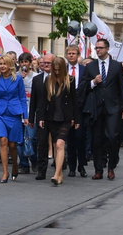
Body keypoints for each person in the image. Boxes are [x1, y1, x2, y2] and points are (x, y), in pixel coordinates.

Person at [85, 38, 123, 180]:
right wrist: (93, 82)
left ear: (107, 49)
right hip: (97, 108)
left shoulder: (116, 66)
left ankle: (111, 166)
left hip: (113, 108)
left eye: (101, 48)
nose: (98, 50)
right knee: (97, 140)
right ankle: (99, 169)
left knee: (112, 137)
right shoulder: (91, 67)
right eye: (96, 48)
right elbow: (84, 86)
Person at [37, 56, 79, 186]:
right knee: (56, 145)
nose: (55, 72)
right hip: (51, 117)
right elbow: (43, 101)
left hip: (66, 118)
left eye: (58, 70)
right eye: (54, 69)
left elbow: (74, 101)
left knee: (60, 144)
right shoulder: (48, 80)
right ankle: (59, 175)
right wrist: (41, 118)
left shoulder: (70, 80)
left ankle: (56, 173)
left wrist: (76, 118)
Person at [0, 54, 29, 183]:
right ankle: (5, 172)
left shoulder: (17, 79)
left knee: (13, 144)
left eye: (4, 63)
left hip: (14, 113)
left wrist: (26, 116)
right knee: (3, 141)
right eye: (0, 64)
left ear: (10, 65)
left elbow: (22, 97)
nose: (2, 66)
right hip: (0, 113)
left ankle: (15, 165)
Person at [65, 45, 89, 177]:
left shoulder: (84, 70)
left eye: (74, 53)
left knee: (80, 138)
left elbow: (86, 86)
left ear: (78, 54)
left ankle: (81, 165)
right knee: (70, 139)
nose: (71, 56)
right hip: (68, 108)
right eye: (69, 53)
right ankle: (72, 167)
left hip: (81, 108)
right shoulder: (64, 70)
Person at [28, 52, 52, 180]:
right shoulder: (37, 79)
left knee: (57, 143)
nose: (46, 65)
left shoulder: (60, 78)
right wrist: (31, 117)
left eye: (49, 63)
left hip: (57, 117)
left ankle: (61, 163)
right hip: (41, 116)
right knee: (41, 143)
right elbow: (33, 100)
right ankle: (41, 170)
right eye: (45, 63)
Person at [17, 52, 37, 174]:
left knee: (32, 138)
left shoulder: (36, 76)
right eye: (22, 62)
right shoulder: (16, 77)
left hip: (31, 113)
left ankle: (34, 160)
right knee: (19, 140)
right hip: (19, 112)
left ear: (30, 63)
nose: (24, 64)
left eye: (26, 62)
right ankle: (24, 164)